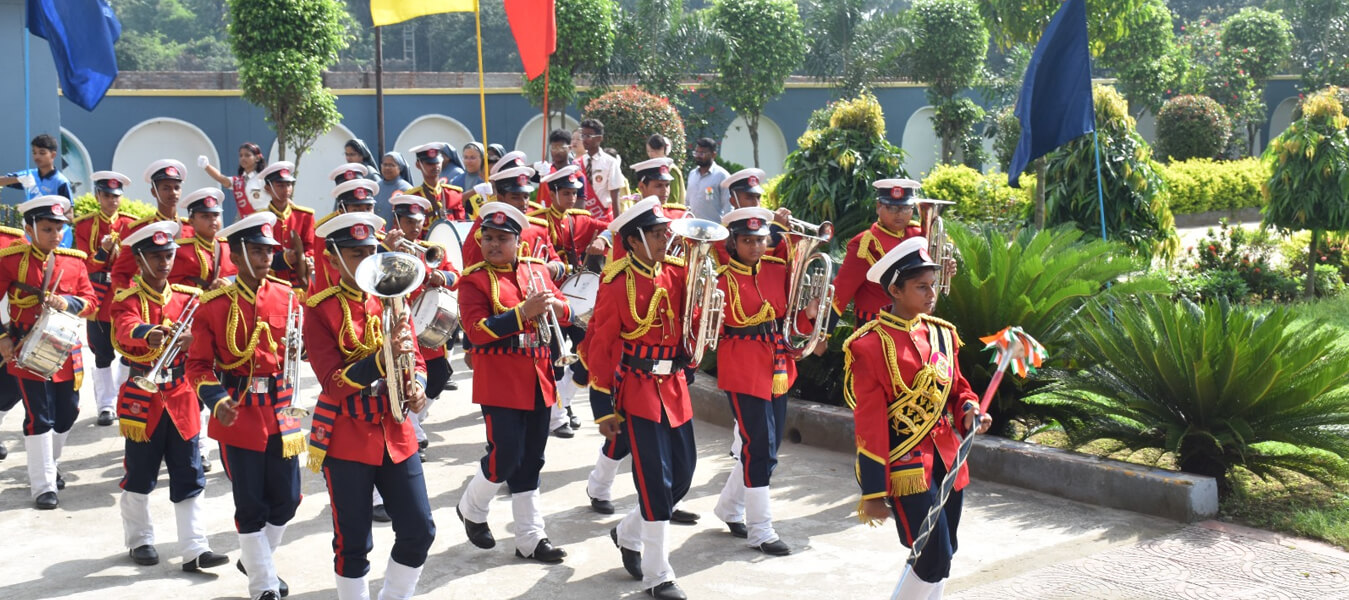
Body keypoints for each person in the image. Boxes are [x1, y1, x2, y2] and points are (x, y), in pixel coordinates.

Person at [843, 237, 991, 600]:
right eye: (921, 287)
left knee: (945, 550)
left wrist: (969, 412)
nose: (931, 294)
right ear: (895, 290)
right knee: (932, 554)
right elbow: (870, 425)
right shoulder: (869, 346)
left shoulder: (942, 334)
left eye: (932, 285)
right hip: (906, 467)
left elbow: (958, 390)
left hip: (948, 458)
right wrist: (873, 491)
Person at [305, 212, 434, 600]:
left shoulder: (392, 296)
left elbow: (417, 357)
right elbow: (333, 383)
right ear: (333, 260)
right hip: (347, 435)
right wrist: (382, 359)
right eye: (356, 254)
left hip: (395, 430)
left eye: (370, 251)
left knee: (420, 530)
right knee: (353, 541)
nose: (367, 260)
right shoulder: (318, 309)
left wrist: (418, 386)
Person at [188, 211, 303, 600]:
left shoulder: (287, 296)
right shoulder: (214, 304)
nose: (266, 257)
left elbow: (295, 353)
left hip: (281, 407)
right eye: (256, 251)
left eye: (268, 250)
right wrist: (216, 399)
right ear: (235, 255)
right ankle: (263, 585)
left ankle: (256, 560)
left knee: (288, 499)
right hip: (238, 409)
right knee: (250, 502)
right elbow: (197, 365)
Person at [587, 197, 696, 600]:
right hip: (637, 388)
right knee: (654, 480)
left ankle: (628, 533)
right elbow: (600, 345)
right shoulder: (616, 282)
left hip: (674, 385)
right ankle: (658, 575)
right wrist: (603, 408)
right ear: (633, 241)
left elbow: (690, 321)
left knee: (683, 474)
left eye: (665, 232)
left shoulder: (677, 272)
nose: (666, 239)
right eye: (656, 234)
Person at [454, 201, 571, 563]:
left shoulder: (536, 270)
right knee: (505, 455)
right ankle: (472, 506)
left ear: (518, 242)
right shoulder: (473, 280)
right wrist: (522, 313)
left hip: (539, 375)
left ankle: (530, 538)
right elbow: (476, 331)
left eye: (502, 238)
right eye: (488, 237)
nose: (493, 244)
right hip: (500, 379)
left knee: (532, 458)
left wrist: (555, 306)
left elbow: (567, 311)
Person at [110, 220, 229, 573]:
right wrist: (150, 333)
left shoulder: (188, 297)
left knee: (189, 469)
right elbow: (124, 328)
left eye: (168, 255)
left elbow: (208, 334)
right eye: (156, 257)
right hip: (143, 395)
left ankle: (195, 548)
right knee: (140, 471)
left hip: (181, 394)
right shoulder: (127, 299)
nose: (164, 263)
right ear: (140, 260)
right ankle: (140, 539)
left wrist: (195, 338)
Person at [709, 207, 815, 557]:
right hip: (741, 365)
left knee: (766, 447)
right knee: (761, 446)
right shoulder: (721, 277)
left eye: (760, 240)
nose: (755, 247)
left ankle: (729, 508)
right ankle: (760, 529)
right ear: (733, 243)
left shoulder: (776, 268)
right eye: (747, 241)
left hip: (777, 364)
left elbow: (789, 317)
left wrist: (810, 315)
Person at [0, 195, 97, 509]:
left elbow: (91, 302)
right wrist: (2, 336)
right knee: (38, 416)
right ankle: (43, 485)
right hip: (25, 348)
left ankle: (50, 464)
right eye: (47, 229)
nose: (55, 235)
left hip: (64, 349)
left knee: (68, 412)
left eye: (59, 228)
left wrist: (67, 302)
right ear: (29, 229)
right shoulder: (11, 259)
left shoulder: (74, 261)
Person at [531, 166, 609, 438]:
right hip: (549, 298)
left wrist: (603, 239)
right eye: (565, 193)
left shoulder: (580, 219)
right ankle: (557, 414)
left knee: (586, 352)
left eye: (575, 193)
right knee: (553, 358)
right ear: (552, 193)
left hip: (575, 300)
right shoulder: (537, 221)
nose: (572, 198)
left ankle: (563, 402)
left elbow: (612, 226)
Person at [384, 194, 460, 455]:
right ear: (396, 220)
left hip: (425, 321)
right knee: (403, 376)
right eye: (409, 221)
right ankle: (412, 431)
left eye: (419, 221)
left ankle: (414, 420)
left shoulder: (431, 249)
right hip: (398, 322)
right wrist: (387, 251)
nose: (416, 227)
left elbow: (456, 276)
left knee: (438, 375)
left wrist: (441, 276)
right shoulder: (385, 248)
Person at [74, 171, 136, 427]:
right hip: (99, 297)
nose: (112, 200)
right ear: (98, 195)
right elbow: (84, 264)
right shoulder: (84, 225)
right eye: (107, 195)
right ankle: (106, 405)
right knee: (102, 353)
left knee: (130, 351)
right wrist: (103, 251)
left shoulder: (131, 224)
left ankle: (122, 397)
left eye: (116, 196)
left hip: (124, 295)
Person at [831, 178, 924, 326]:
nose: (899, 214)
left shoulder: (920, 235)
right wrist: (821, 331)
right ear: (878, 207)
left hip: (915, 322)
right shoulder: (865, 243)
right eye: (892, 208)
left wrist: (946, 268)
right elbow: (842, 290)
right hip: (875, 323)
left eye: (906, 208)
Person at [112, 160, 195, 291]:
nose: (173, 192)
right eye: (166, 188)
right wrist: (131, 299)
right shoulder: (141, 230)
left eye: (176, 187)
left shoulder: (191, 229)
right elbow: (121, 273)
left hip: (187, 300)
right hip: (153, 299)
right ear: (154, 192)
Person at [256, 162, 316, 291]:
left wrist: (308, 261)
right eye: (280, 185)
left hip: (301, 285)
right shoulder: (260, 219)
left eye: (289, 184)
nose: (286, 189)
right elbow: (257, 252)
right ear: (268, 188)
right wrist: (282, 259)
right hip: (272, 283)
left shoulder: (304, 216)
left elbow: (311, 246)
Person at [169, 188, 237, 291]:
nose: (212, 219)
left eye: (216, 215)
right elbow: (170, 287)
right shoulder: (181, 251)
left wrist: (230, 286)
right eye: (205, 216)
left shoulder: (228, 247)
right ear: (191, 222)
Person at [199, 142, 265, 216]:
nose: (243, 158)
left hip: (264, 218)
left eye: (247, 155)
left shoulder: (263, 178)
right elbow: (221, 178)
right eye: (241, 155)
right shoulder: (238, 182)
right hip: (247, 219)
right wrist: (206, 166)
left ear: (257, 158)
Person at [1, 134, 72, 200]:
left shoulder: (61, 181)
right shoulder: (28, 174)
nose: (37, 157)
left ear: (53, 155)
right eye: (34, 153)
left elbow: (69, 208)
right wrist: (19, 179)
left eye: (42, 153)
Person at [408, 143, 467, 223]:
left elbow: (461, 224)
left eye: (437, 162)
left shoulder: (453, 194)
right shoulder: (413, 197)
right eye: (430, 163)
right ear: (418, 165)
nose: (435, 166)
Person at [577, 118, 622, 220]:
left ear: (599, 138)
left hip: (603, 217)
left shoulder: (610, 162)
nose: (584, 139)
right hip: (583, 218)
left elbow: (615, 195)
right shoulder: (577, 163)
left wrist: (617, 224)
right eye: (583, 135)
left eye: (588, 136)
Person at [686, 138, 730, 221]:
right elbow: (687, 202)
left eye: (702, 153)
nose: (698, 156)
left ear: (713, 155)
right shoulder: (692, 174)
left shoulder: (722, 176)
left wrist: (726, 225)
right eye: (696, 152)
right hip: (692, 226)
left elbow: (728, 206)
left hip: (713, 226)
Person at [534, 129, 579, 209]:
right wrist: (535, 166)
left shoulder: (577, 175)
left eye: (561, 148)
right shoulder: (545, 170)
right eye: (554, 148)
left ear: (569, 148)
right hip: (543, 214)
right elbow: (521, 174)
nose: (557, 151)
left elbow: (580, 205)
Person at [376, 152, 414, 224]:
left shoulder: (407, 189)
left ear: (400, 168)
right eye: (385, 164)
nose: (387, 168)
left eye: (391, 165)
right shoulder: (376, 186)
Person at [646, 135, 685, 206]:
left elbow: (674, 198)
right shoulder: (652, 169)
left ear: (662, 149)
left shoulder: (671, 169)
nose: (650, 154)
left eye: (653, 151)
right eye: (648, 151)